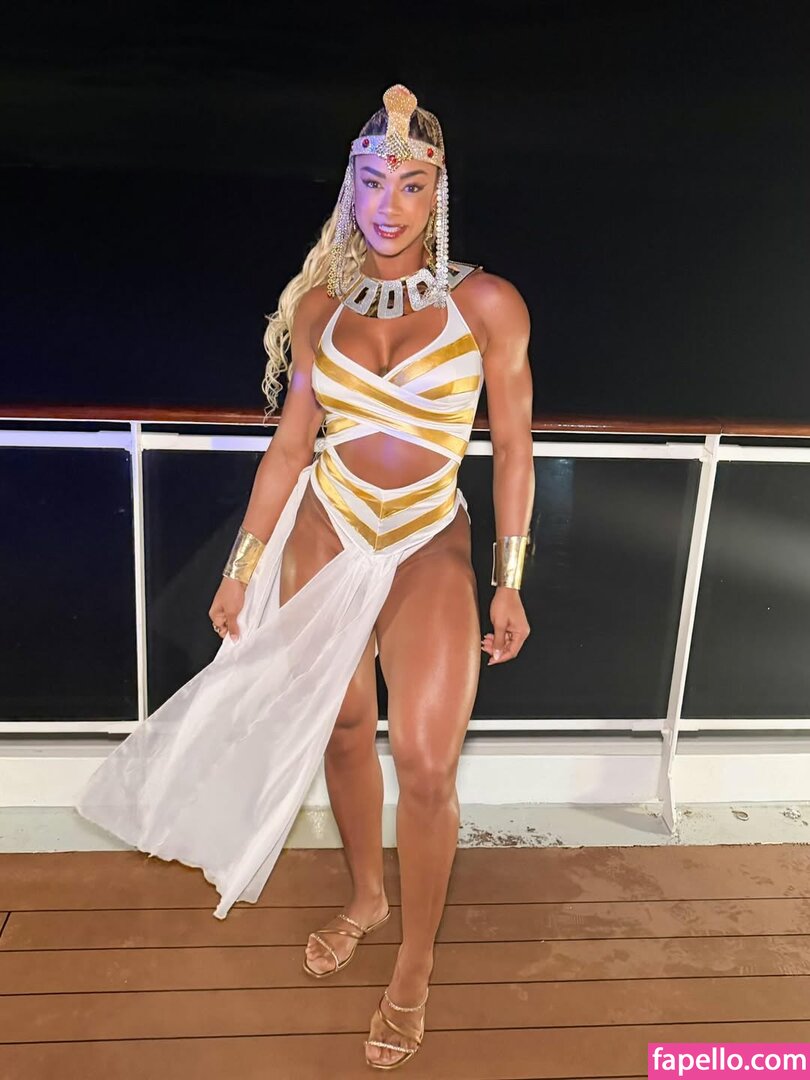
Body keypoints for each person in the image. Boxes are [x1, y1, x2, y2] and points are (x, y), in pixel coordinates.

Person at [75, 83, 534, 1071]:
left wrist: (508, 577)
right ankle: (367, 898)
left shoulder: (487, 304)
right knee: (340, 726)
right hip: (326, 526)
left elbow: (512, 447)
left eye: (411, 185)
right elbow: (291, 449)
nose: (388, 204)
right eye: (373, 181)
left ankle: (414, 964)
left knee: (426, 763)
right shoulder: (321, 308)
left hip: (427, 538)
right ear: (349, 188)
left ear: (438, 193)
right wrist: (241, 568)